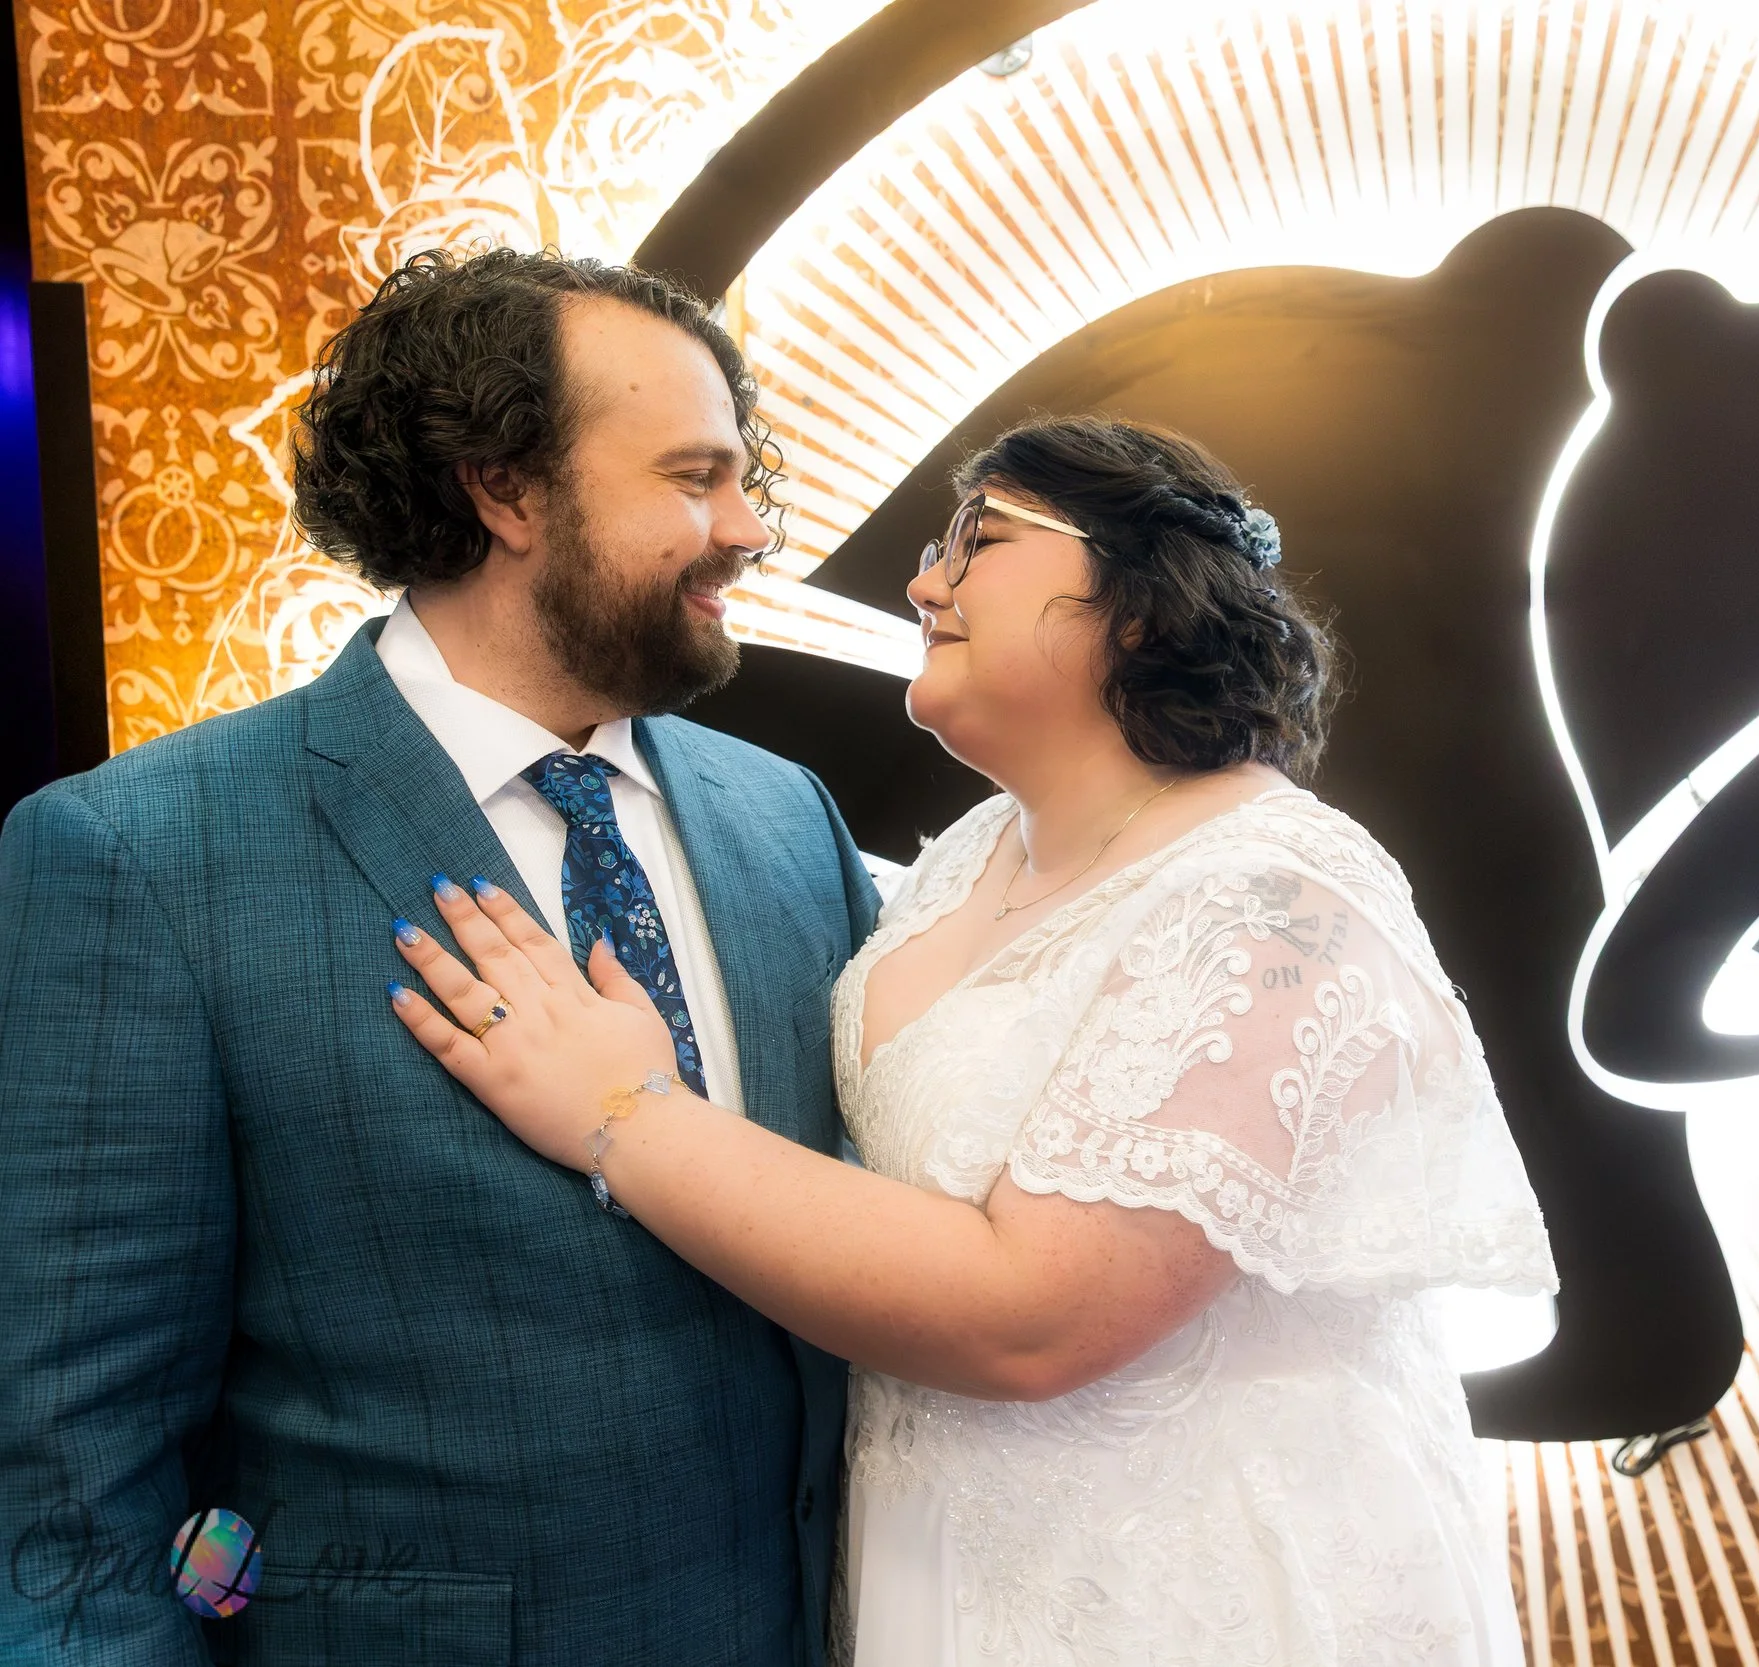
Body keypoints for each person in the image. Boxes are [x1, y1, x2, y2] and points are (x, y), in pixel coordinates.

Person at [384, 414, 1558, 1663]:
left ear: (1146, 606)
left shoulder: (1274, 896)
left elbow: (1038, 1313)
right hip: (931, 1562)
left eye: (978, 539)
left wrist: (624, 1112)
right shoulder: (961, 858)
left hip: (1175, 1593)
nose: (923, 579)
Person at [0, 249, 877, 1664]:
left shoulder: (786, 817)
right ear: (505, 488)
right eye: (693, 476)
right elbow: (69, 1473)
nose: (748, 526)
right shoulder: (141, 855)